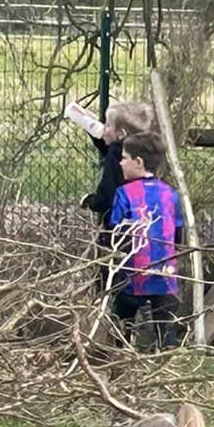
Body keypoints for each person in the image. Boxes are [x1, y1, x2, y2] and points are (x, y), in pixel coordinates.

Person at [64, 97, 155, 291]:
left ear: (121, 134)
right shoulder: (140, 154)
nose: (103, 128)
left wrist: (91, 202)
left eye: (107, 125)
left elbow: (107, 195)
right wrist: (89, 124)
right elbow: (109, 146)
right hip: (141, 226)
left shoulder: (117, 159)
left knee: (113, 273)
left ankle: (112, 307)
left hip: (118, 228)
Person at [107, 130, 181, 349]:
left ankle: (120, 357)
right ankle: (168, 363)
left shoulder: (123, 193)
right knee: (165, 327)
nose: (120, 163)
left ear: (138, 162)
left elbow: (117, 234)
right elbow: (178, 233)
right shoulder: (171, 194)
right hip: (165, 276)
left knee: (121, 321)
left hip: (133, 275)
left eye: (124, 158)